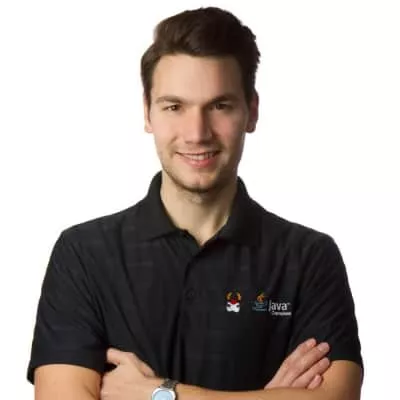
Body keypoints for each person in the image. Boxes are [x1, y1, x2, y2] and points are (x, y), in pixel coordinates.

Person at [27, 6, 363, 400]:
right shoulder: (84, 254)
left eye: (220, 106)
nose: (197, 133)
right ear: (147, 112)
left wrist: (161, 394)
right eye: (174, 107)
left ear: (251, 111)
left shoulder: (308, 258)